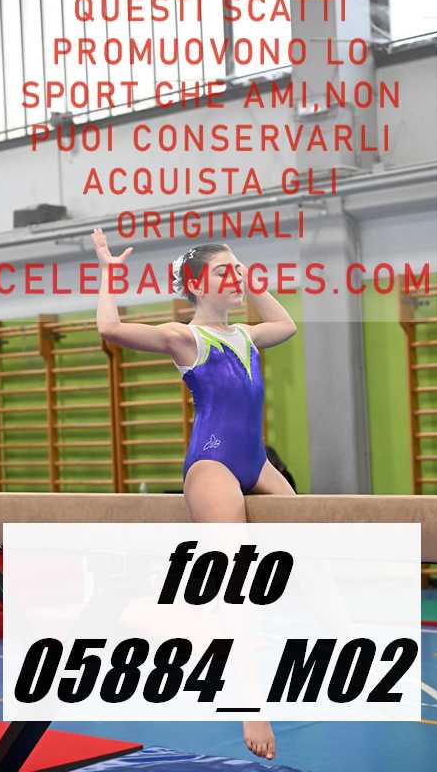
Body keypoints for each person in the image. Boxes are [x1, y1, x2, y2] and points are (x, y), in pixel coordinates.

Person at [92, 230, 297, 760]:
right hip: (213, 465)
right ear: (198, 286)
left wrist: (248, 275)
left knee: (306, 545)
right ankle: (251, 703)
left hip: (255, 462)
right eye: (225, 272)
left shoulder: (247, 335)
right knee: (235, 584)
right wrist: (108, 271)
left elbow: (287, 325)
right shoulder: (185, 338)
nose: (236, 279)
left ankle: (179, 619)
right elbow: (109, 328)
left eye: (238, 270)